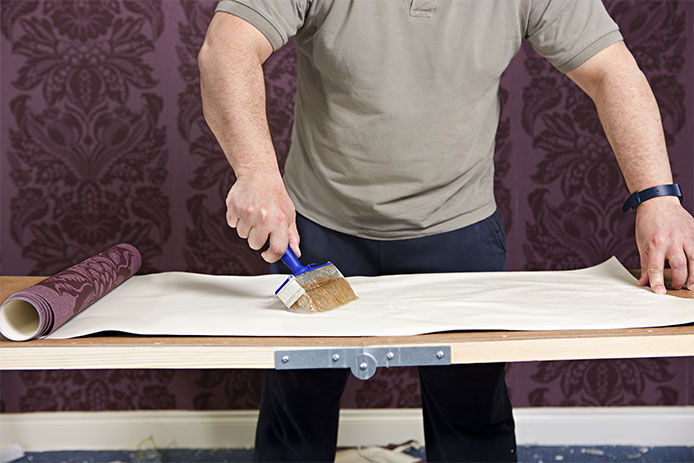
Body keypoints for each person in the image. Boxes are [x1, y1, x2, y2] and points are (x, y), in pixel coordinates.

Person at [198, 1, 694, 461]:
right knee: (296, 413)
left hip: (459, 231)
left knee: (472, 416)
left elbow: (610, 69)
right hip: (318, 234)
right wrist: (257, 172)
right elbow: (229, 44)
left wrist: (658, 197)